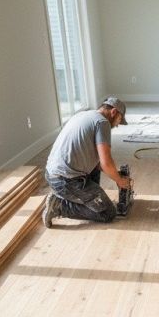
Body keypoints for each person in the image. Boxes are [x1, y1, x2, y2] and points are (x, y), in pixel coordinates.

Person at [42, 97, 132, 228]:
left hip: (53, 174)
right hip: (66, 181)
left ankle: (86, 200)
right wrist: (119, 180)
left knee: (95, 168)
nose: (117, 125)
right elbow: (106, 162)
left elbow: (98, 162)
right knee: (108, 213)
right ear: (113, 112)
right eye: (119, 120)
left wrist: (115, 174)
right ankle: (60, 206)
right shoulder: (102, 123)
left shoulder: (84, 115)